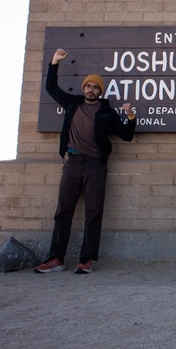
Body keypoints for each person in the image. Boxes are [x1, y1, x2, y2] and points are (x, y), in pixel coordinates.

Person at [35, 48, 136, 274]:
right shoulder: (73, 104)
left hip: (95, 165)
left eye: (95, 87)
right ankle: (56, 259)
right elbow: (51, 87)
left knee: (94, 212)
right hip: (72, 163)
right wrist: (54, 62)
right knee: (63, 212)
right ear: (84, 89)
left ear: (100, 91)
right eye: (88, 86)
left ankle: (86, 259)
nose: (91, 90)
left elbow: (126, 135)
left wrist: (130, 116)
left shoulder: (106, 112)